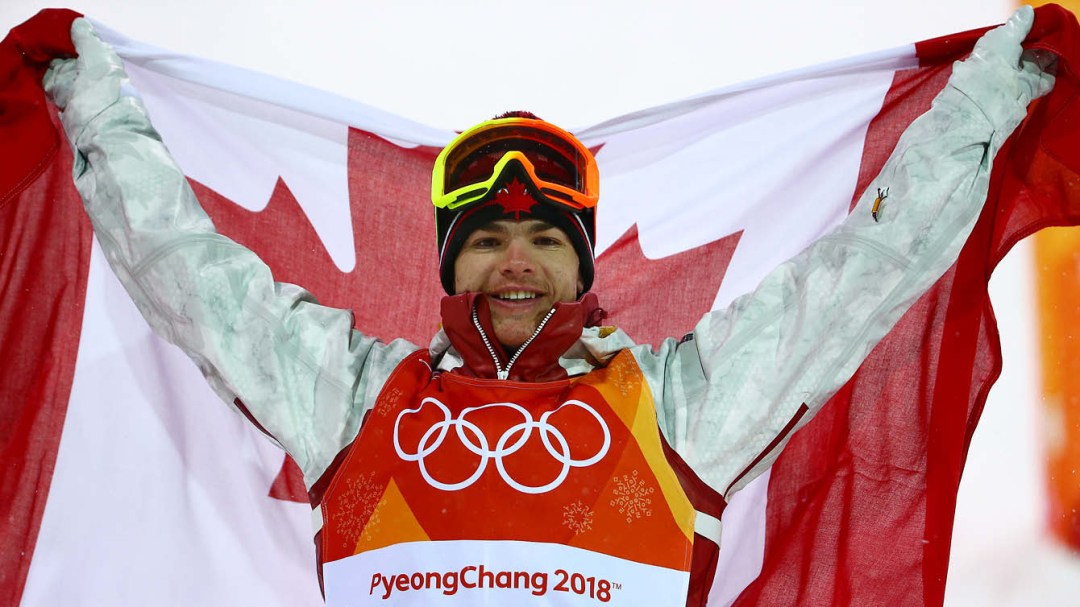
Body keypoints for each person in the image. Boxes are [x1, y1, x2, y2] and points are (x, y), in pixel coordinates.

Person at [43, 7, 1053, 606]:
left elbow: (864, 271)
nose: (513, 262)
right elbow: (185, 271)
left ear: (581, 271)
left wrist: (987, 105)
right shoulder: (350, 398)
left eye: (541, 241)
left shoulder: (677, 408)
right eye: (485, 239)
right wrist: (94, 107)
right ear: (451, 265)